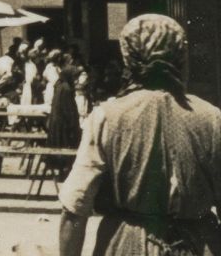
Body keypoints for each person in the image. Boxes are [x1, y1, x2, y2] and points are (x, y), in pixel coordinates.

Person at [58, 14, 221, 256]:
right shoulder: (212, 118)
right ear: (181, 58)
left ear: (128, 60)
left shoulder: (107, 116)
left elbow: (74, 209)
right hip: (199, 245)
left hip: (126, 245)